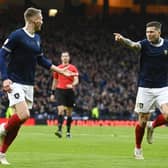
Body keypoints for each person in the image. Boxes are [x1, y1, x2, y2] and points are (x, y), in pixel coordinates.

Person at [0, 7, 73, 165]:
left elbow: (42, 60)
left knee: (19, 123)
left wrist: (60, 71)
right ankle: (3, 128)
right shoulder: (17, 35)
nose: (42, 20)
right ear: (33, 19)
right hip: (15, 82)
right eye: (40, 18)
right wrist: (5, 78)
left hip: (29, 84)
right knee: (24, 115)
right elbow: (1, 54)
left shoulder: (37, 38)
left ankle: (2, 153)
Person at [114, 21, 168, 160]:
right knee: (142, 121)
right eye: (147, 32)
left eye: (151, 32)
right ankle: (138, 148)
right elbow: (133, 45)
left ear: (159, 32)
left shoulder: (167, 45)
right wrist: (122, 40)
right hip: (145, 87)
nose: (149, 34)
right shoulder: (144, 44)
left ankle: (153, 125)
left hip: (163, 87)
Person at [50, 51, 79, 138]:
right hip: (60, 91)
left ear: (69, 58)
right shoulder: (58, 68)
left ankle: (68, 132)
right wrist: (52, 93)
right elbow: (55, 81)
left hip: (70, 91)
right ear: (61, 58)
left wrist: (73, 84)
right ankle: (59, 130)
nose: (65, 58)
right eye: (63, 56)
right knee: (61, 110)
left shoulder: (73, 68)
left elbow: (76, 79)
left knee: (69, 113)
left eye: (66, 56)